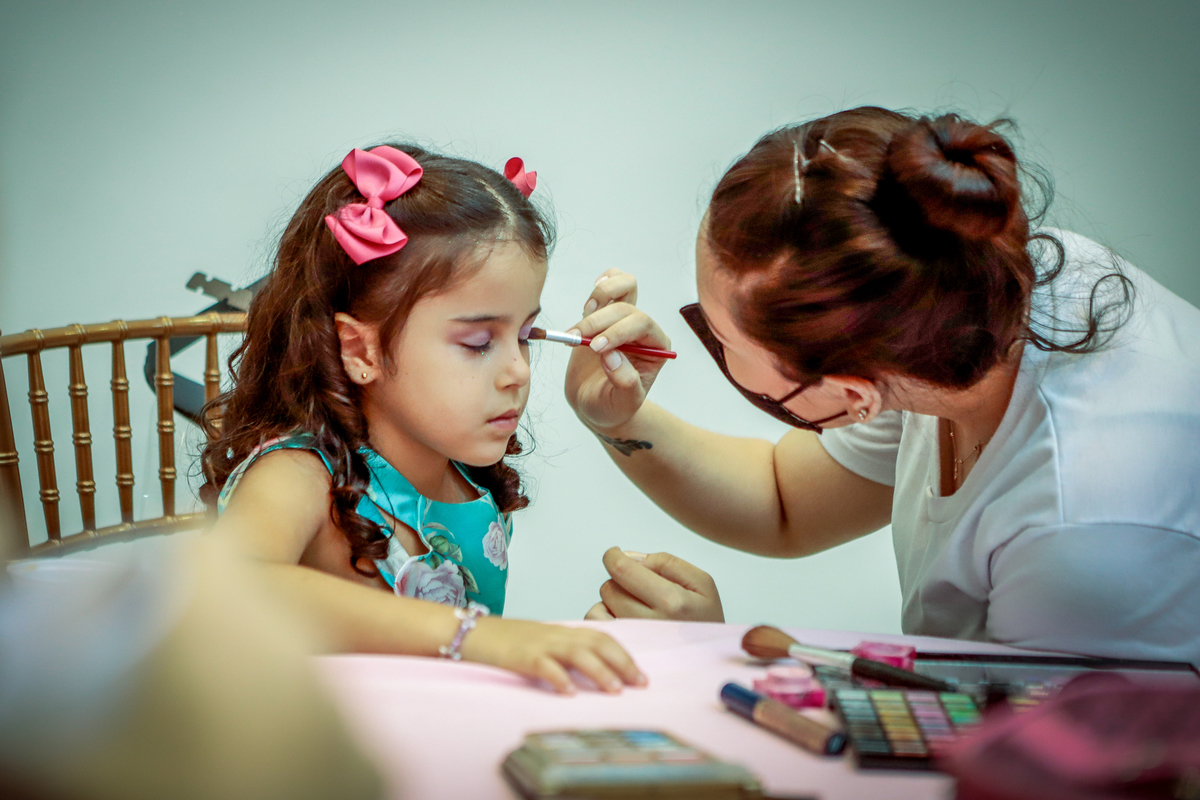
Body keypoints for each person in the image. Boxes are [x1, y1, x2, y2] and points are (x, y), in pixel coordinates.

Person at [565, 107, 1200, 665]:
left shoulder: (1082, 541)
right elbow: (785, 501)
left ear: (854, 395)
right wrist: (617, 419)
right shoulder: (944, 288)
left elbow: (1024, 753)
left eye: (721, 339)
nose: (709, 347)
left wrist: (715, 662)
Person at [203, 144, 644, 694]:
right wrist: (474, 635)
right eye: (478, 342)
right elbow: (229, 589)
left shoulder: (464, 475)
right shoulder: (299, 476)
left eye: (526, 336)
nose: (518, 372)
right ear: (360, 350)